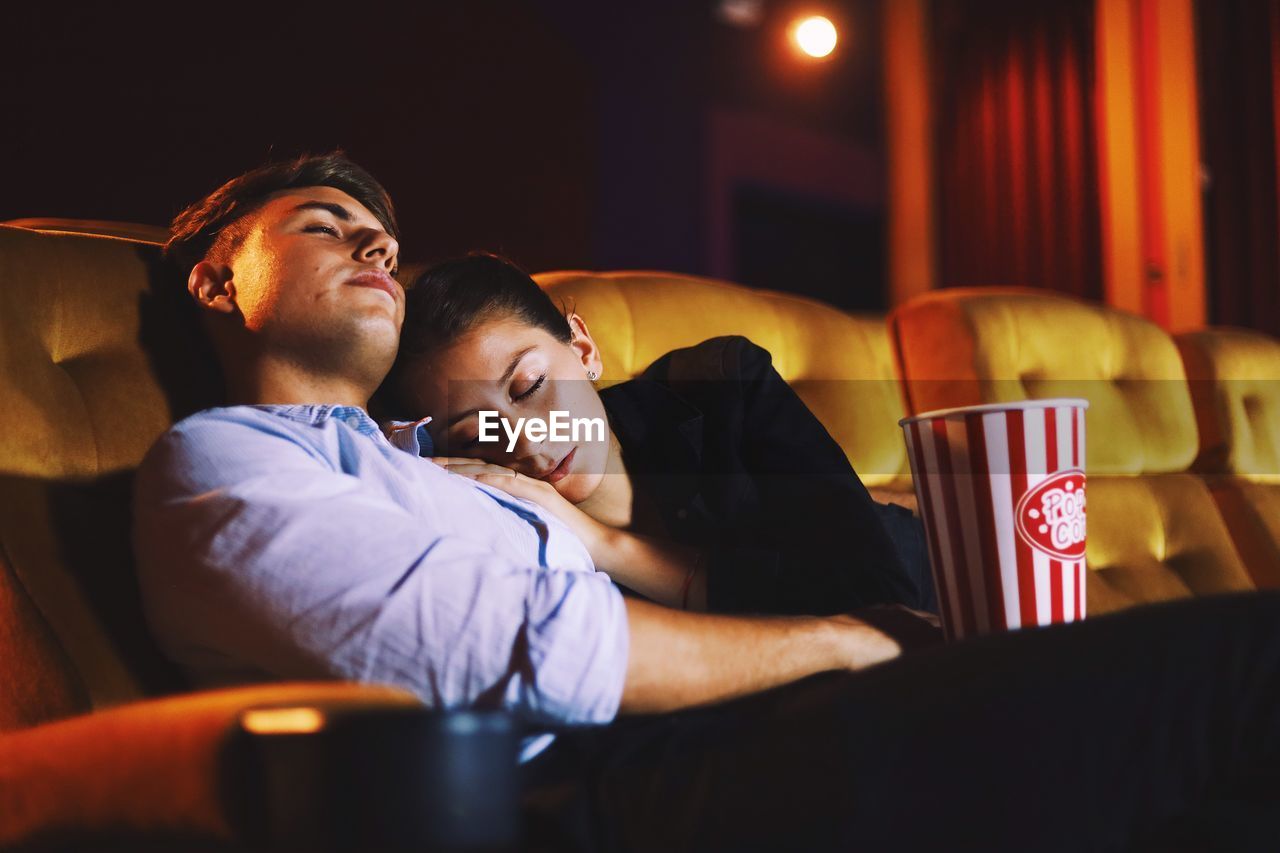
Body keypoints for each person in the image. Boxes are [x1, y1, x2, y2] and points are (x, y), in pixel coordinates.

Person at [133, 152, 1280, 852]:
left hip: (758, 714)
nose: (374, 239)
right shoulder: (225, 464)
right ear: (214, 278)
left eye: (377, 230)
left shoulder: (413, 449)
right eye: (323, 225)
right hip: (617, 786)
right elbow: (536, 648)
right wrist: (846, 641)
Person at [377, 252, 936, 617]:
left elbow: (878, 601)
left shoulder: (720, 385)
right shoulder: (501, 537)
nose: (528, 442)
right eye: (478, 435)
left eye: (530, 386)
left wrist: (610, 547)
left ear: (582, 348)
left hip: (940, 568)